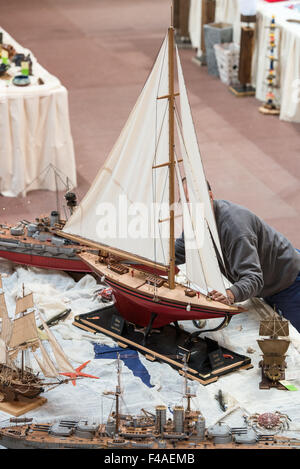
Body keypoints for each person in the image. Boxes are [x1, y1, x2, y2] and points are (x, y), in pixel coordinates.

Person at [175, 183, 300, 332]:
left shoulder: (235, 229)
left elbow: (254, 278)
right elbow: (180, 252)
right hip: (268, 278)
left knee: (294, 339)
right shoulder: (198, 220)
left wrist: (230, 294)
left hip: (288, 281)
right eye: (186, 202)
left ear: (210, 197)